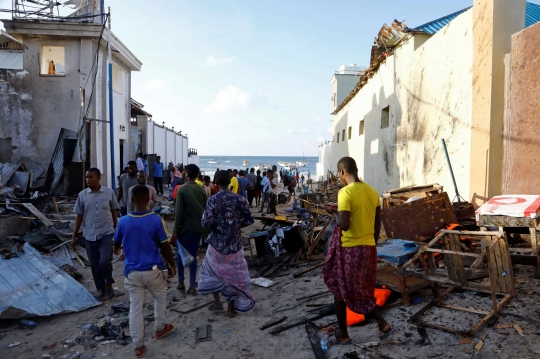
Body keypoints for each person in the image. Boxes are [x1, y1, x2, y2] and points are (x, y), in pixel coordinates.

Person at [322, 157, 393, 344]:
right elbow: (377, 224)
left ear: (342, 172)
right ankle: (382, 323)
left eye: (339, 175)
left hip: (350, 249)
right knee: (363, 289)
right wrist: (371, 243)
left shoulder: (345, 192)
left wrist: (334, 213)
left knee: (339, 290)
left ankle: (344, 334)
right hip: (368, 248)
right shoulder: (372, 192)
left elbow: (344, 225)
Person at [113, 185, 176, 357]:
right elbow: (165, 245)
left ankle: (138, 345)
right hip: (153, 271)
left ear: (131, 200)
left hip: (132, 272)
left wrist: (118, 249)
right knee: (160, 298)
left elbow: (116, 243)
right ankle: (159, 328)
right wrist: (172, 265)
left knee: (135, 308)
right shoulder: (156, 220)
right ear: (149, 200)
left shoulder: (123, 221)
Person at [198, 170, 255, 318]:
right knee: (235, 275)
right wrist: (234, 225)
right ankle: (231, 305)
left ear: (215, 183)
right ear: (230, 182)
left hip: (217, 245)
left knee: (211, 272)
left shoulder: (212, 200)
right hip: (235, 244)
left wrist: (219, 227)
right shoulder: (240, 199)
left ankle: (217, 302)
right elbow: (250, 220)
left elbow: (205, 223)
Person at [72, 168, 119, 301]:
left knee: (104, 261)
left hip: (107, 233)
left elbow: (114, 211)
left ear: (98, 178)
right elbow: (79, 216)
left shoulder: (109, 193)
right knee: (94, 264)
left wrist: (117, 231)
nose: (88, 180)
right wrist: (74, 235)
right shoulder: (82, 195)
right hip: (90, 235)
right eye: (87, 177)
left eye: (91, 177)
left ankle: (109, 285)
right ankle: (102, 289)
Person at [172, 164, 208, 295]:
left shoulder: (182, 190)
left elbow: (179, 212)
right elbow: (205, 209)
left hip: (184, 229)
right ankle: (192, 285)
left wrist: (176, 229)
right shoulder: (201, 189)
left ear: (186, 174)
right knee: (193, 256)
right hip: (197, 228)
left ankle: (181, 282)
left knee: (181, 255)